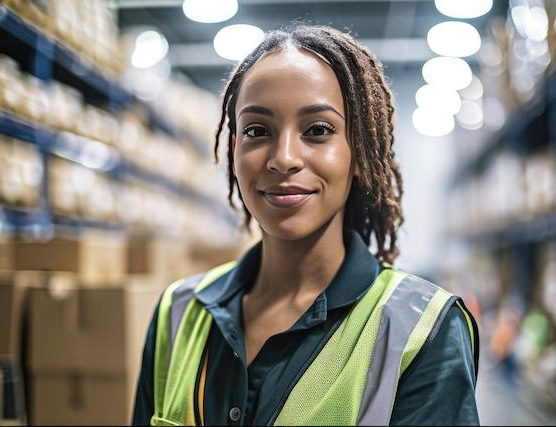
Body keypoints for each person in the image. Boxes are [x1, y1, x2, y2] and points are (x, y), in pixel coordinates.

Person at [132, 23, 480, 426]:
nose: (283, 158)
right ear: (234, 150)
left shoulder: (422, 333)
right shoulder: (178, 313)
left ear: (359, 150)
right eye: (257, 131)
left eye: (317, 130)